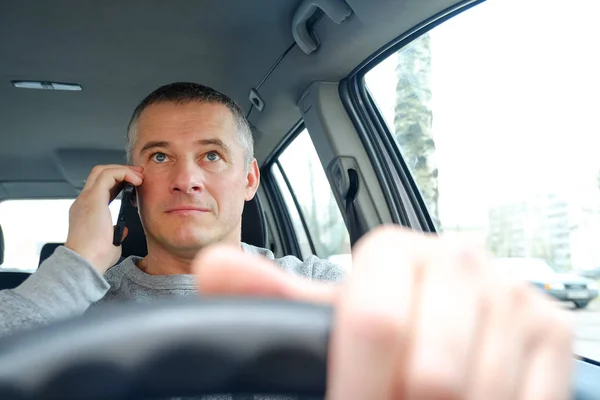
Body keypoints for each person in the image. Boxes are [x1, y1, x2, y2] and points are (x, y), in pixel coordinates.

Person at [0, 82, 573, 399]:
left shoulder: (315, 288)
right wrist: (78, 261)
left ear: (250, 180)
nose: (187, 177)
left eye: (212, 155)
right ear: (131, 179)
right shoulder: (74, 300)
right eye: (159, 156)